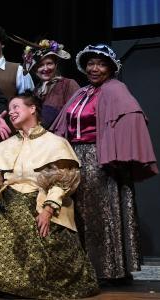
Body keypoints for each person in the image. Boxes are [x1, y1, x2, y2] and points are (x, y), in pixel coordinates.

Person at [0, 92, 99, 299]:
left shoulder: (55, 143)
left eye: (16, 107)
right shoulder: (9, 144)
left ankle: (23, 285)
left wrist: (48, 209)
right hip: (7, 197)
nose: (11, 113)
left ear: (32, 109)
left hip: (39, 199)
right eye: (10, 109)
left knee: (25, 226)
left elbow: (63, 181)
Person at [51, 44, 158, 284]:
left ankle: (108, 269)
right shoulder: (82, 92)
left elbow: (132, 118)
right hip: (76, 157)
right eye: (90, 64)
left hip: (101, 159)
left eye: (100, 64)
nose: (94, 68)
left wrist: (117, 152)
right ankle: (83, 266)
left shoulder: (115, 89)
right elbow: (62, 124)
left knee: (101, 215)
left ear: (110, 68)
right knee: (78, 213)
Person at [21, 39, 80, 127]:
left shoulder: (68, 84)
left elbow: (78, 114)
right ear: (34, 69)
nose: (46, 68)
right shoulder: (36, 91)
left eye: (49, 63)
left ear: (56, 65)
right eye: (40, 65)